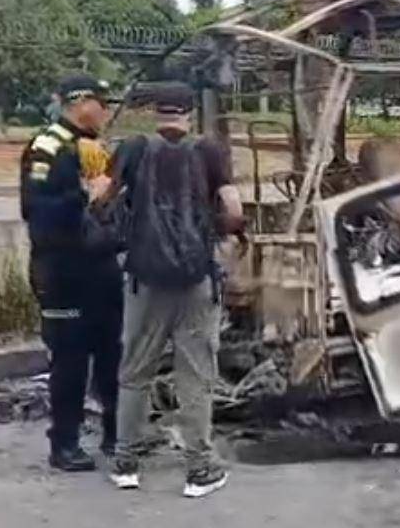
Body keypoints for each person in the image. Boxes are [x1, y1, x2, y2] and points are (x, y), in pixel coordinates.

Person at [109, 83, 244, 498]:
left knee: (134, 372)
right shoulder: (209, 151)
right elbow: (235, 210)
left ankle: (126, 464)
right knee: (196, 377)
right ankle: (199, 470)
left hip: (144, 280)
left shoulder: (132, 148)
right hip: (195, 281)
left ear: (156, 112)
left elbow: (99, 196)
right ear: (189, 113)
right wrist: (215, 233)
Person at [19, 75, 124, 472]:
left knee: (114, 352)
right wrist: (85, 194)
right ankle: (64, 444)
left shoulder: (95, 148)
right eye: (102, 103)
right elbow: (36, 209)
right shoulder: (48, 147)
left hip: (100, 268)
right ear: (81, 103)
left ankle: (119, 435)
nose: (106, 111)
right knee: (70, 360)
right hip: (62, 270)